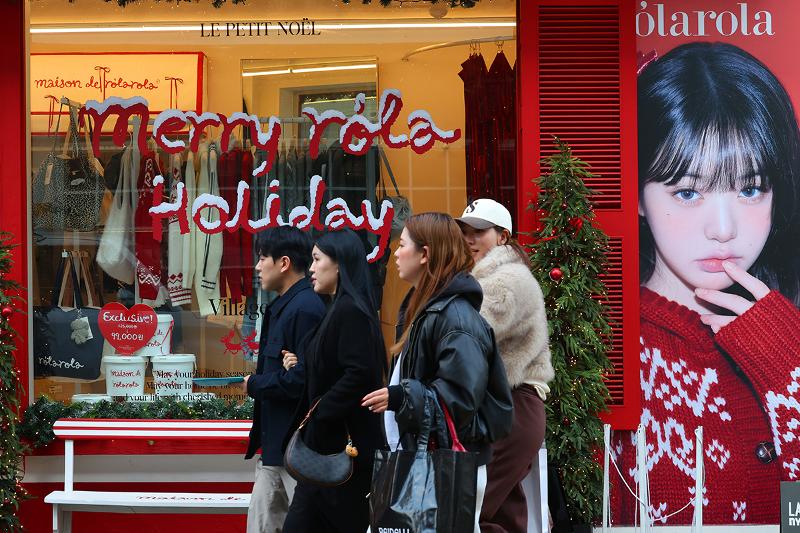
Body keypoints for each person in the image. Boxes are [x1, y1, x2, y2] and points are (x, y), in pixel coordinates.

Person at [616, 41, 800, 525]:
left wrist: (788, 367)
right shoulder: (605, 353)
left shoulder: (792, 333)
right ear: (637, 195)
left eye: (750, 188)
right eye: (689, 191)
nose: (724, 228)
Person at [362, 212, 513, 533]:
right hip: (424, 459)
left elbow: (461, 396)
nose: (396, 252)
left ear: (425, 254)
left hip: (443, 466)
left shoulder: (454, 316)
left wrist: (402, 396)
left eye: (402, 245)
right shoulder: (427, 310)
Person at [456, 198, 554, 533]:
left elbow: (465, 335)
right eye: (465, 231)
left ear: (503, 236)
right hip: (508, 408)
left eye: (479, 232)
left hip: (513, 407)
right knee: (502, 517)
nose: (469, 239)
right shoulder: (485, 278)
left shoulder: (506, 279)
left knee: (470, 508)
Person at [281, 229, 386, 533]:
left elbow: (358, 374)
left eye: (316, 259)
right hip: (326, 455)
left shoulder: (351, 310)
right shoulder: (338, 308)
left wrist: (319, 412)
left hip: (343, 456)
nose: (311, 268)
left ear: (339, 263)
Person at [243, 226, 326, 533]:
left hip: (296, 451)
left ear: (284, 263)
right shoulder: (286, 305)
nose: (256, 266)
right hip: (275, 449)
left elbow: (302, 382)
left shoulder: (305, 309)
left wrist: (254, 385)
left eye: (262, 257)